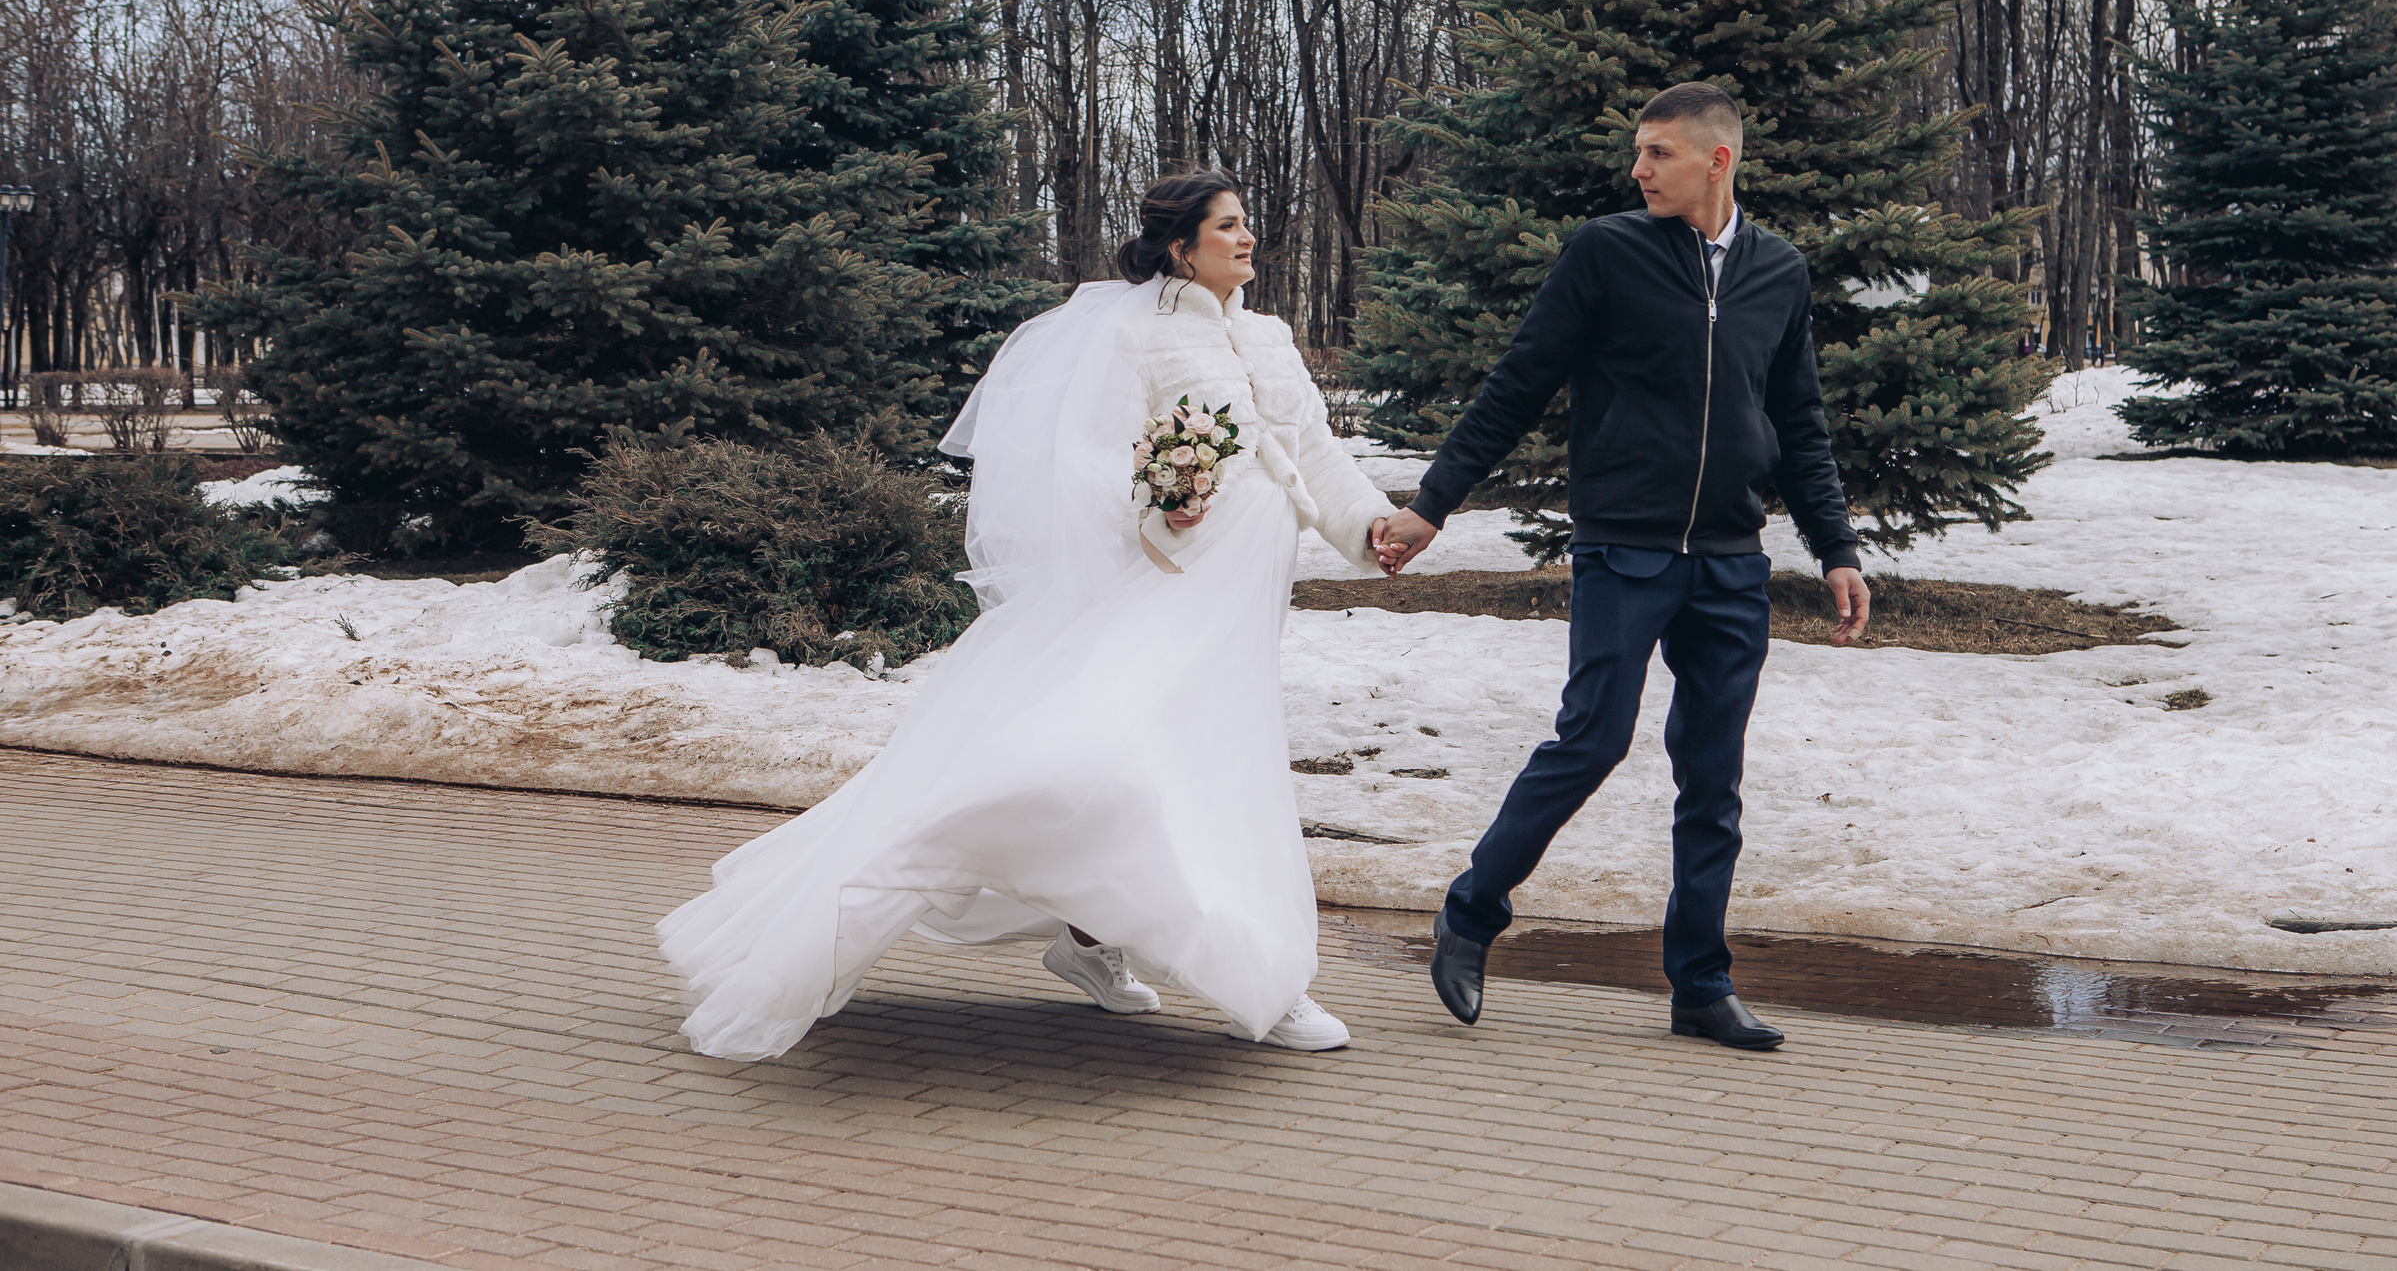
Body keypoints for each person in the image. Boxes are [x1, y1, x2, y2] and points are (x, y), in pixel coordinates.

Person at [660, 169, 1398, 1060]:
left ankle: (1090, 943)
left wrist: (1372, 526)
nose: (1248, 239)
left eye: (1248, 223)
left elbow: (1311, 451)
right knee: (1112, 762)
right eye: (1229, 226)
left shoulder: (1271, 337)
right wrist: (1157, 501)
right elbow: (1075, 465)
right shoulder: (1131, 335)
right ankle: (1269, 985)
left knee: (1199, 762)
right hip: (1164, 587)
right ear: (1180, 245)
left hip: (1243, 600)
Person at [1372, 82, 1872, 1051]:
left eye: (1657, 154)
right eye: (1637, 154)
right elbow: (1519, 379)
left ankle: (1698, 983)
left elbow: (1798, 420)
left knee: (1711, 780)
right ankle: (1470, 913)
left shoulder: (1778, 270)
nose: (1637, 170)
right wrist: (1435, 503)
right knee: (1590, 740)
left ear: (1715, 160)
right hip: (1624, 550)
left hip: (1730, 562)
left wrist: (1835, 547)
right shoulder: (1605, 252)